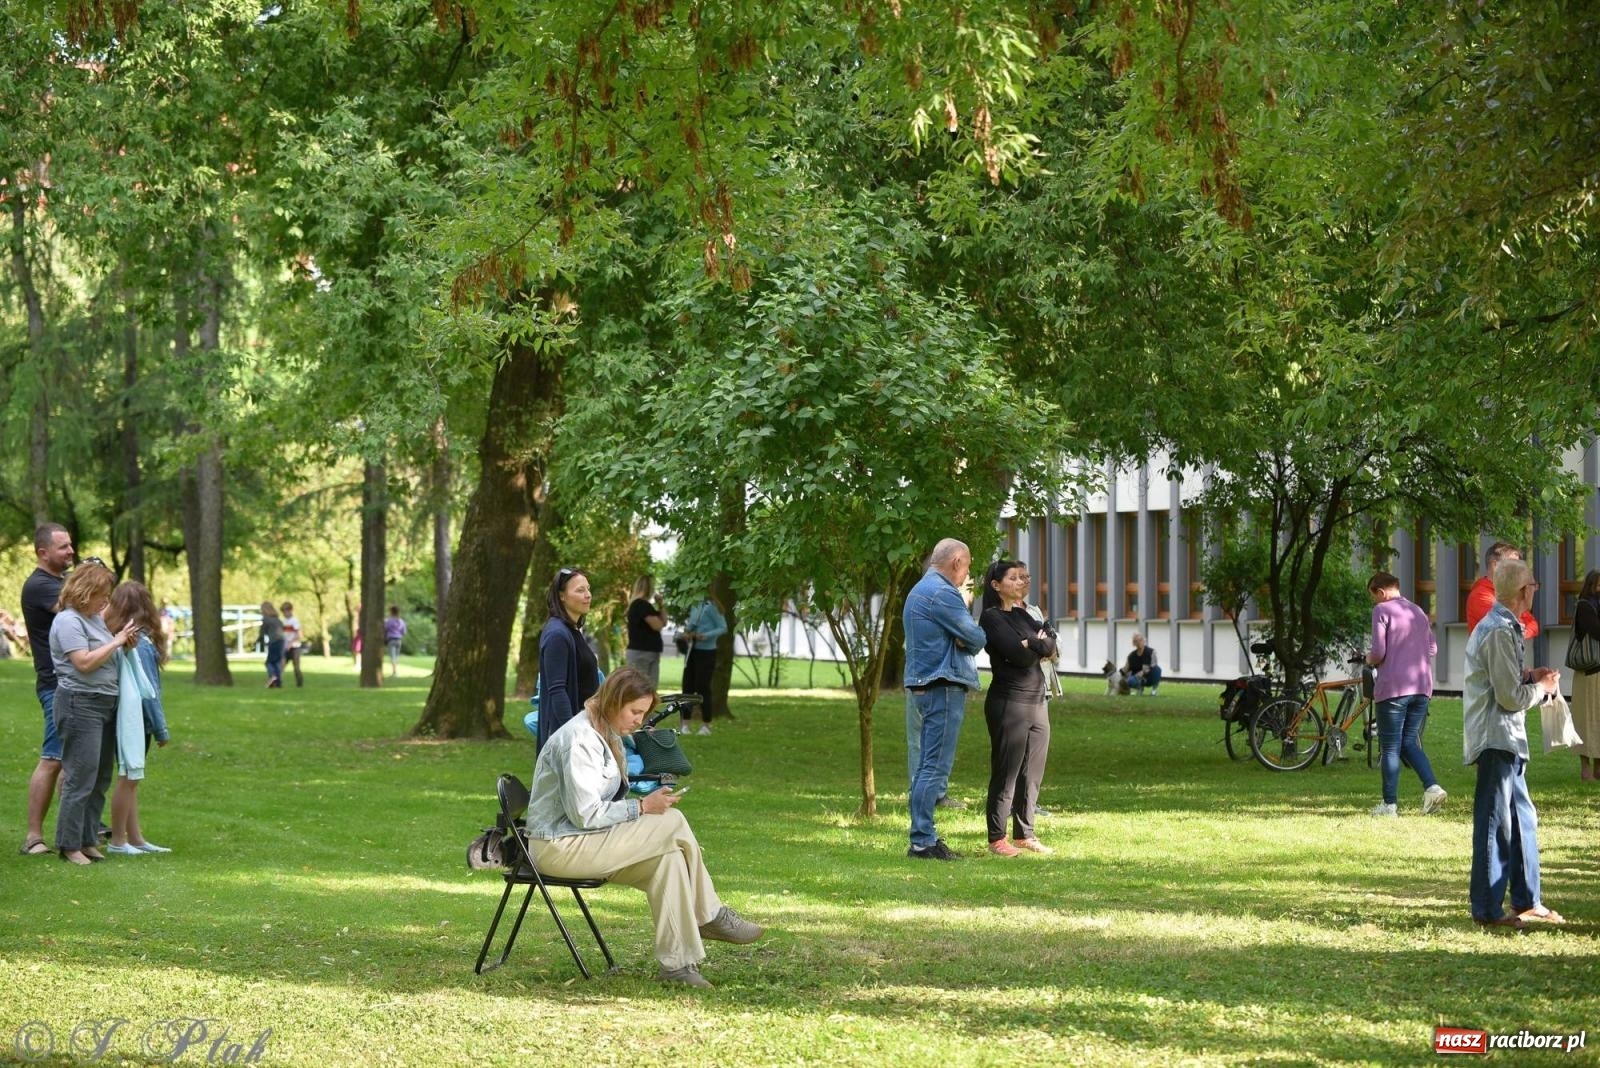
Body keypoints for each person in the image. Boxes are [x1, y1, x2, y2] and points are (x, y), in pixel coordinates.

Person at [526, 668, 765, 988]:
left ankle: (678, 968)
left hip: (584, 841)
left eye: (643, 713)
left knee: (668, 860)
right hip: (558, 848)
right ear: (614, 701)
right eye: (635, 712)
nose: (639, 721)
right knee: (672, 822)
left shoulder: (605, 731)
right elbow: (585, 814)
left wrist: (641, 806)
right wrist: (641, 807)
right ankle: (710, 914)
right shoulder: (579, 740)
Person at [1462, 558, 1564, 929]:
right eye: (1533, 585)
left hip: (1508, 738)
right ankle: (1487, 910)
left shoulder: (1504, 626)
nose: (1535, 590)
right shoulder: (1498, 630)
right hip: (1496, 737)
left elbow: (1504, 678)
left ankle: (1527, 900)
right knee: (1496, 823)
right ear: (1524, 591)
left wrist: (1531, 676)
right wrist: (1542, 688)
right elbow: (1508, 697)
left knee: (1522, 820)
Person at [903, 538, 986, 861]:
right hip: (943, 685)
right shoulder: (942, 592)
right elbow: (976, 637)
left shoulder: (921, 589)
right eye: (967, 566)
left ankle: (923, 838)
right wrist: (964, 633)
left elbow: (965, 637)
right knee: (934, 768)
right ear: (956, 562)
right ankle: (923, 841)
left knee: (927, 765)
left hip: (927, 684)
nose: (967, 574)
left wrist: (960, 635)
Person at [50, 560, 138, 865]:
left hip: (104, 703)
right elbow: (84, 663)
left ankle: (88, 839)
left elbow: (105, 657)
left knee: (100, 777)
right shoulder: (68, 621)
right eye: (103, 594)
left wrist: (124, 645)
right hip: (80, 703)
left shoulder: (94, 620)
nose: (106, 600)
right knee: (80, 776)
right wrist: (116, 642)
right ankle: (69, 844)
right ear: (86, 591)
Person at [978, 559, 1056, 857]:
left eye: (1023, 577)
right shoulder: (991, 617)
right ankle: (997, 838)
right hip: (1009, 703)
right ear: (996, 585)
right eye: (1013, 578)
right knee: (1007, 772)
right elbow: (1020, 657)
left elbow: (1051, 646)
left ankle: (1025, 834)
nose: (1021, 581)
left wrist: (1031, 643)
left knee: (1031, 774)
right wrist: (1035, 645)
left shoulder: (1024, 615)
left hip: (1038, 702)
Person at [1364, 571, 1446, 817]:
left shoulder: (1381, 610)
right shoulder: (1417, 611)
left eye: (1373, 596)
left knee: (1390, 746)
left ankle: (1389, 805)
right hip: (1421, 687)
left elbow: (1378, 652)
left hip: (1394, 689)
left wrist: (1368, 659)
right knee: (1408, 741)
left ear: (1381, 592)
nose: (1374, 601)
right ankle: (1433, 788)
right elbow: (1432, 648)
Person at [18, 522, 76, 856]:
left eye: (70, 545)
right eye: (63, 546)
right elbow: (81, 609)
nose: (71, 551)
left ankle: (79, 827)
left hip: (73, 683)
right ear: (43, 552)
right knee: (52, 758)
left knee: (74, 759)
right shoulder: (40, 585)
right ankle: (33, 837)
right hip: (55, 685)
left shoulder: (61, 581)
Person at [104, 582, 172, 855]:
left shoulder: (118, 637)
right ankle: (118, 840)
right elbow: (149, 691)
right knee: (129, 778)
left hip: (123, 716)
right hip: (136, 720)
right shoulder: (140, 643)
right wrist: (161, 729)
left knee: (131, 778)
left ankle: (135, 838)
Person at [537, 567, 601, 751]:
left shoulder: (571, 630)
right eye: (580, 590)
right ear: (561, 596)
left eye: (588, 589)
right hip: (569, 736)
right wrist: (574, 735)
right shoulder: (557, 634)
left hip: (584, 726)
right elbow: (557, 691)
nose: (588, 595)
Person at [1465, 541, 1541, 639]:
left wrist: (1523, 631)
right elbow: (1506, 624)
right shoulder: (1480, 595)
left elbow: (1533, 624)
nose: (1517, 570)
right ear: (1495, 565)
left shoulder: (1509, 592)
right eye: (1512, 564)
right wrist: (1520, 628)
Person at [681, 588, 727, 735]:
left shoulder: (712, 606)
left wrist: (706, 635)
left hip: (707, 652)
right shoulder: (695, 604)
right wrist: (687, 633)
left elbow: (723, 627)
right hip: (692, 650)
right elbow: (691, 625)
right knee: (687, 686)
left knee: (703, 687)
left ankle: (706, 725)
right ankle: (685, 724)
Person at [1570, 570, 1600, 782]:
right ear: (1591, 586)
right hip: (1588, 672)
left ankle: (1598, 767)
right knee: (1585, 720)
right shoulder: (1585, 606)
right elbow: (1596, 631)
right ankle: (1585, 768)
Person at [624, 576, 668, 689]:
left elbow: (664, 622)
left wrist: (661, 605)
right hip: (642, 653)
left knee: (647, 690)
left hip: (647, 653)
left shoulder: (643, 605)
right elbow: (658, 625)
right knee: (641, 690)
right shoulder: (641, 605)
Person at [260, 602, 285, 688]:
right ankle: (278, 681)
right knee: (277, 662)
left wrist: (261, 641)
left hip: (274, 642)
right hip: (281, 641)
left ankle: (273, 677)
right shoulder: (277, 619)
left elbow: (262, 632)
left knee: (269, 663)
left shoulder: (266, 619)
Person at [281, 601, 304, 687]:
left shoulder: (295, 621)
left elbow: (299, 635)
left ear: (290, 610)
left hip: (295, 647)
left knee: (296, 667)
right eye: (283, 612)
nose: (284, 614)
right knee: (281, 665)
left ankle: (299, 684)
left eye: (285, 611)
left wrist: (291, 642)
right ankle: (277, 682)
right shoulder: (283, 621)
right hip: (285, 647)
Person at [384, 605, 407, 677]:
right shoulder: (401, 621)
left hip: (391, 640)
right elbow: (404, 632)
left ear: (391, 612)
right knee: (396, 657)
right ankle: (395, 671)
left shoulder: (389, 621)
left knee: (393, 657)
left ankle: (394, 672)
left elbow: (385, 629)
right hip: (399, 640)